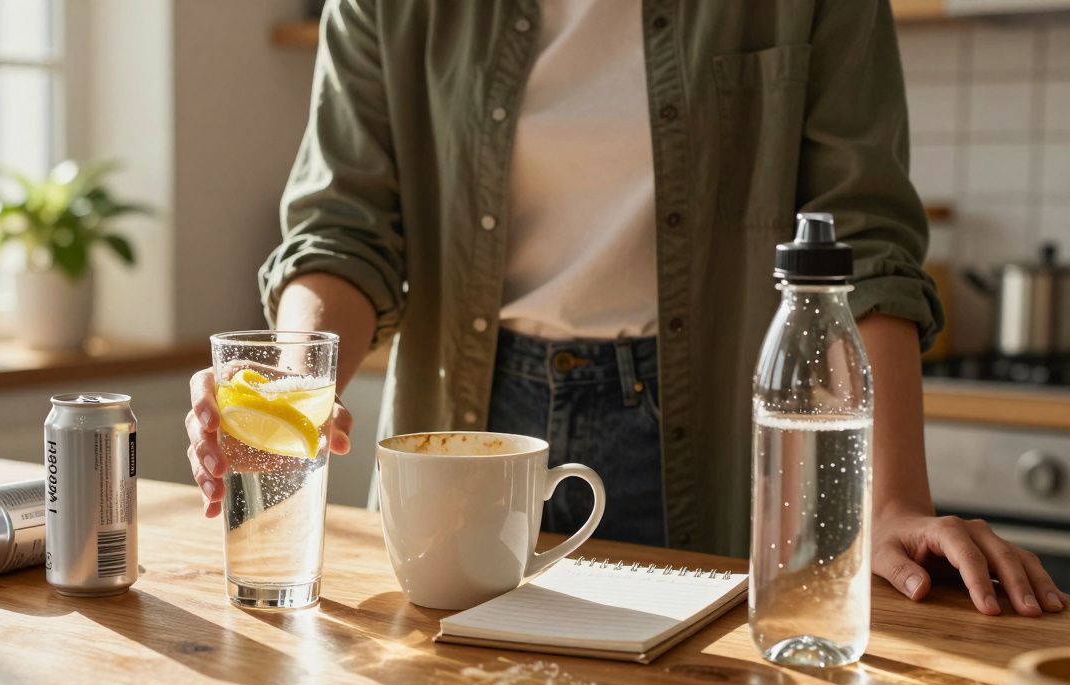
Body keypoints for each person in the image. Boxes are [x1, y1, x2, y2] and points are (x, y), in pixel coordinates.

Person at [187, 0, 1067, 616]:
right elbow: (340, 234)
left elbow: (863, 249)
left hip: (713, 442)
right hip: (467, 435)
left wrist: (893, 505)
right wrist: (283, 384)